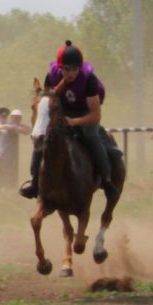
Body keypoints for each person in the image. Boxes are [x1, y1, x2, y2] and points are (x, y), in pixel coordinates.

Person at [36, 42, 121, 202]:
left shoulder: (89, 80)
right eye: (67, 69)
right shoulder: (51, 76)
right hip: (64, 109)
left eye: (75, 69)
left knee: (90, 136)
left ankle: (107, 180)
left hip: (86, 112)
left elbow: (96, 115)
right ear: (60, 67)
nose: (72, 73)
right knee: (44, 136)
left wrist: (73, 122)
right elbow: (47, 103)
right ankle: (35, 182)